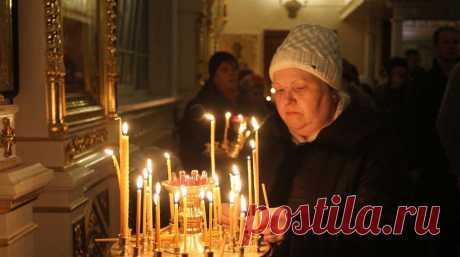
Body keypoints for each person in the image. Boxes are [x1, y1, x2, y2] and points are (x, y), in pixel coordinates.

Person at [256, 24, 414, 257]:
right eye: (279, 90)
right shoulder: (269, 136)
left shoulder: (372, 143)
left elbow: (378, 230)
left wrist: (296, 224)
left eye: (299, 87)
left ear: (331, 90)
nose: (287, 100)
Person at [178, 52, 242, 172]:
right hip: (209, 168)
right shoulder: (201, 105)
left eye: (234, 69)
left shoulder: (241, 100)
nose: (231, 74)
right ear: (214, 76)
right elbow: (193, 143)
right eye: (224, 70)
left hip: (233, 164)